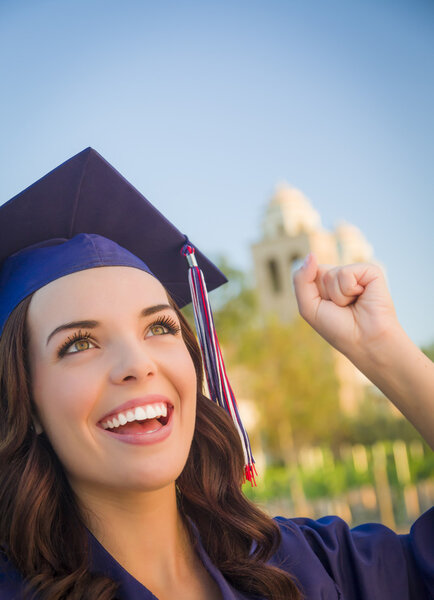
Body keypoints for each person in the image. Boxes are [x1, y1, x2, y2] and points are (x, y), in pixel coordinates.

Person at [0, 149, 432, 600]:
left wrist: (383, 350)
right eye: (79, 344)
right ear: (24, 400)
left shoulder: (306, 566)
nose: (138, 364)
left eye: (158, 327)